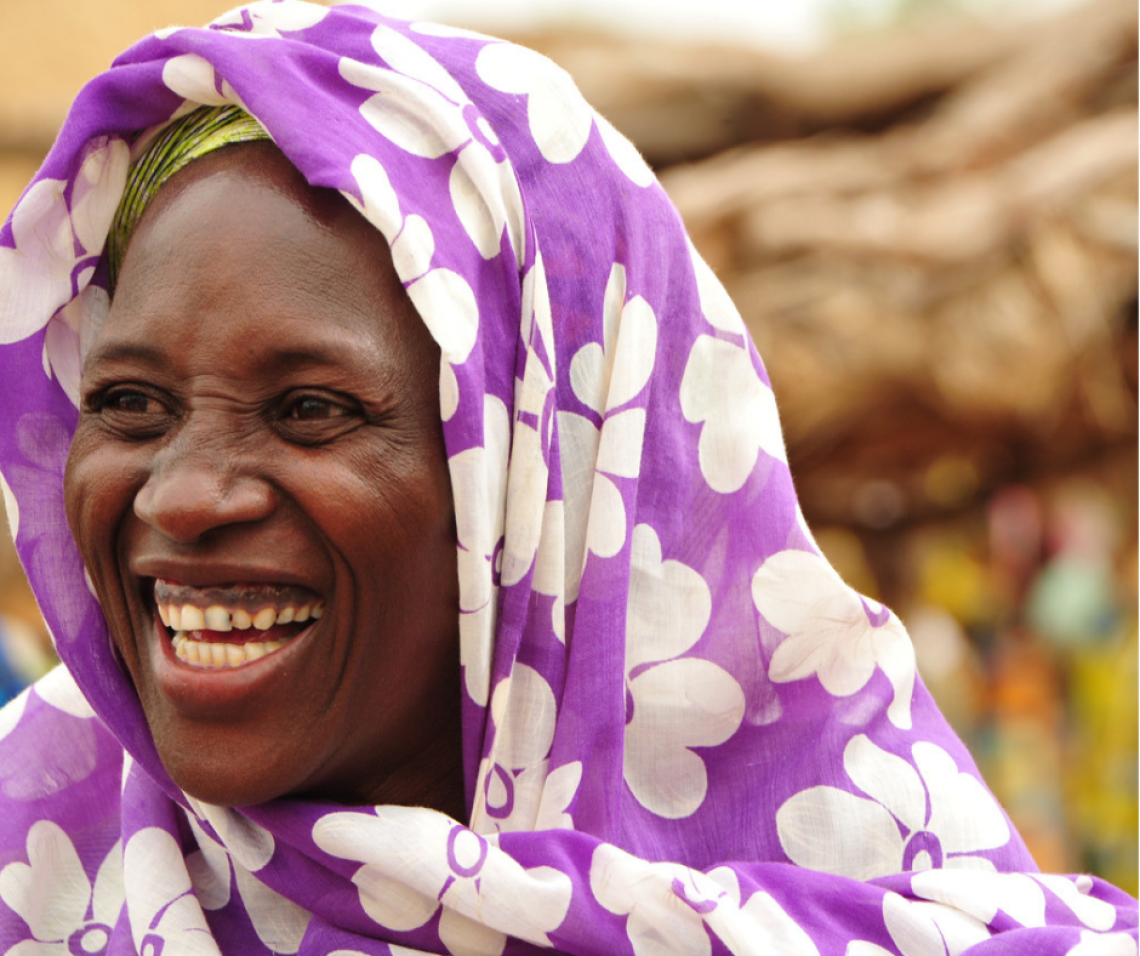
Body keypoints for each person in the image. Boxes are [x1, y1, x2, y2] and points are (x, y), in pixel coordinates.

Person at [0, 2, 1134, 953]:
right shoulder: (39, 856)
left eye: (310, 409)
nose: (182, 496)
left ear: (541, 490)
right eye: (130, 405)